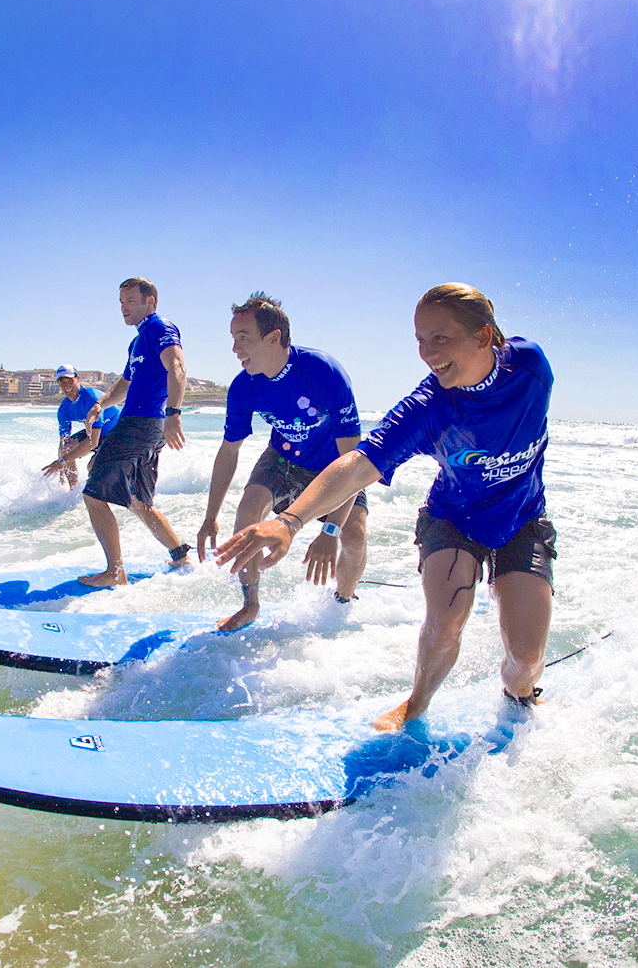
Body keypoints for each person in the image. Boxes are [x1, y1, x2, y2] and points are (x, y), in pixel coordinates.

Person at [218, 283, 555, 731]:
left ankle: (522, 698)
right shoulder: (428, 406)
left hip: (523, 518)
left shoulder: (530, 367)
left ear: (483, 336)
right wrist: (290, 520)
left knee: (526, 658)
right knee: (444, 623)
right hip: (454, 519)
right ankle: (415, 705)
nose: (428, 353)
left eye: (440, 338)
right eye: (419, 340)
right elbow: (358, 463)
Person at [197, 292, 369, 630]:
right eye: (233, 339)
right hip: (283, 459)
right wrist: (210, 517)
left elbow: (354, 458)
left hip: (334, 465)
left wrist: (330, 530)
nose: (235, 349)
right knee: (248, 512)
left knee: (355, 535)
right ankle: (251, 604)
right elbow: (229, 451)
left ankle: (343, 602)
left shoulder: (323, 372)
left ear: (274, 337)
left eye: (243, 338)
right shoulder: (243, 387)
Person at [77, 277, 192, 587]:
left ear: (150, 301)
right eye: (121, 303)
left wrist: (174, 413)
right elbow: (125, 385)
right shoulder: (137, 342)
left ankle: (115, 573)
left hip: (142, 424)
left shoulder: (159, 328)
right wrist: (100, 404)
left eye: (130, 301)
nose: (124, 308)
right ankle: (180, 555)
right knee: (139, 500)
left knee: (92, 493)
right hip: (145, 425)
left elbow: (177, 368)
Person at [42, 364, 119, 488]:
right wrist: (62, 468)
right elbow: (63, 443)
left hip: (117, 433)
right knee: (67, 448)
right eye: (62, 383)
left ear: (78, 379)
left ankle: (104, 493)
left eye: (70, 381)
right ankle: (74, 490)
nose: (67, 386)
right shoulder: (64, 409)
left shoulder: (91, 398)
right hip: (98, 432)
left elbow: (92, 442)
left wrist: (61, 462)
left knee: (92, 466)